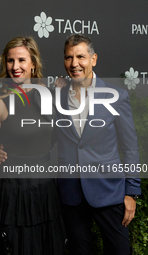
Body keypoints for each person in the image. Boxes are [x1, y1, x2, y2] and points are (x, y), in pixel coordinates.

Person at [54, 33, 141, 255]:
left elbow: (130, 147)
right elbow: (45, 137)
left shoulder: (116, 96)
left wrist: (131, 192)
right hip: (71, 195)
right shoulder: (57, 98)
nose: (74, 64)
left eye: (80, 57)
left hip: (109, 192)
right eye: (68, 57)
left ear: (94, 58)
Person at [0, 36, 66, 255]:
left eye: (21, 60)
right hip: (13, 193)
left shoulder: (48, 97)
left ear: (33, 64)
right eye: (10, 61)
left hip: (46, 192)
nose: (15, 67)